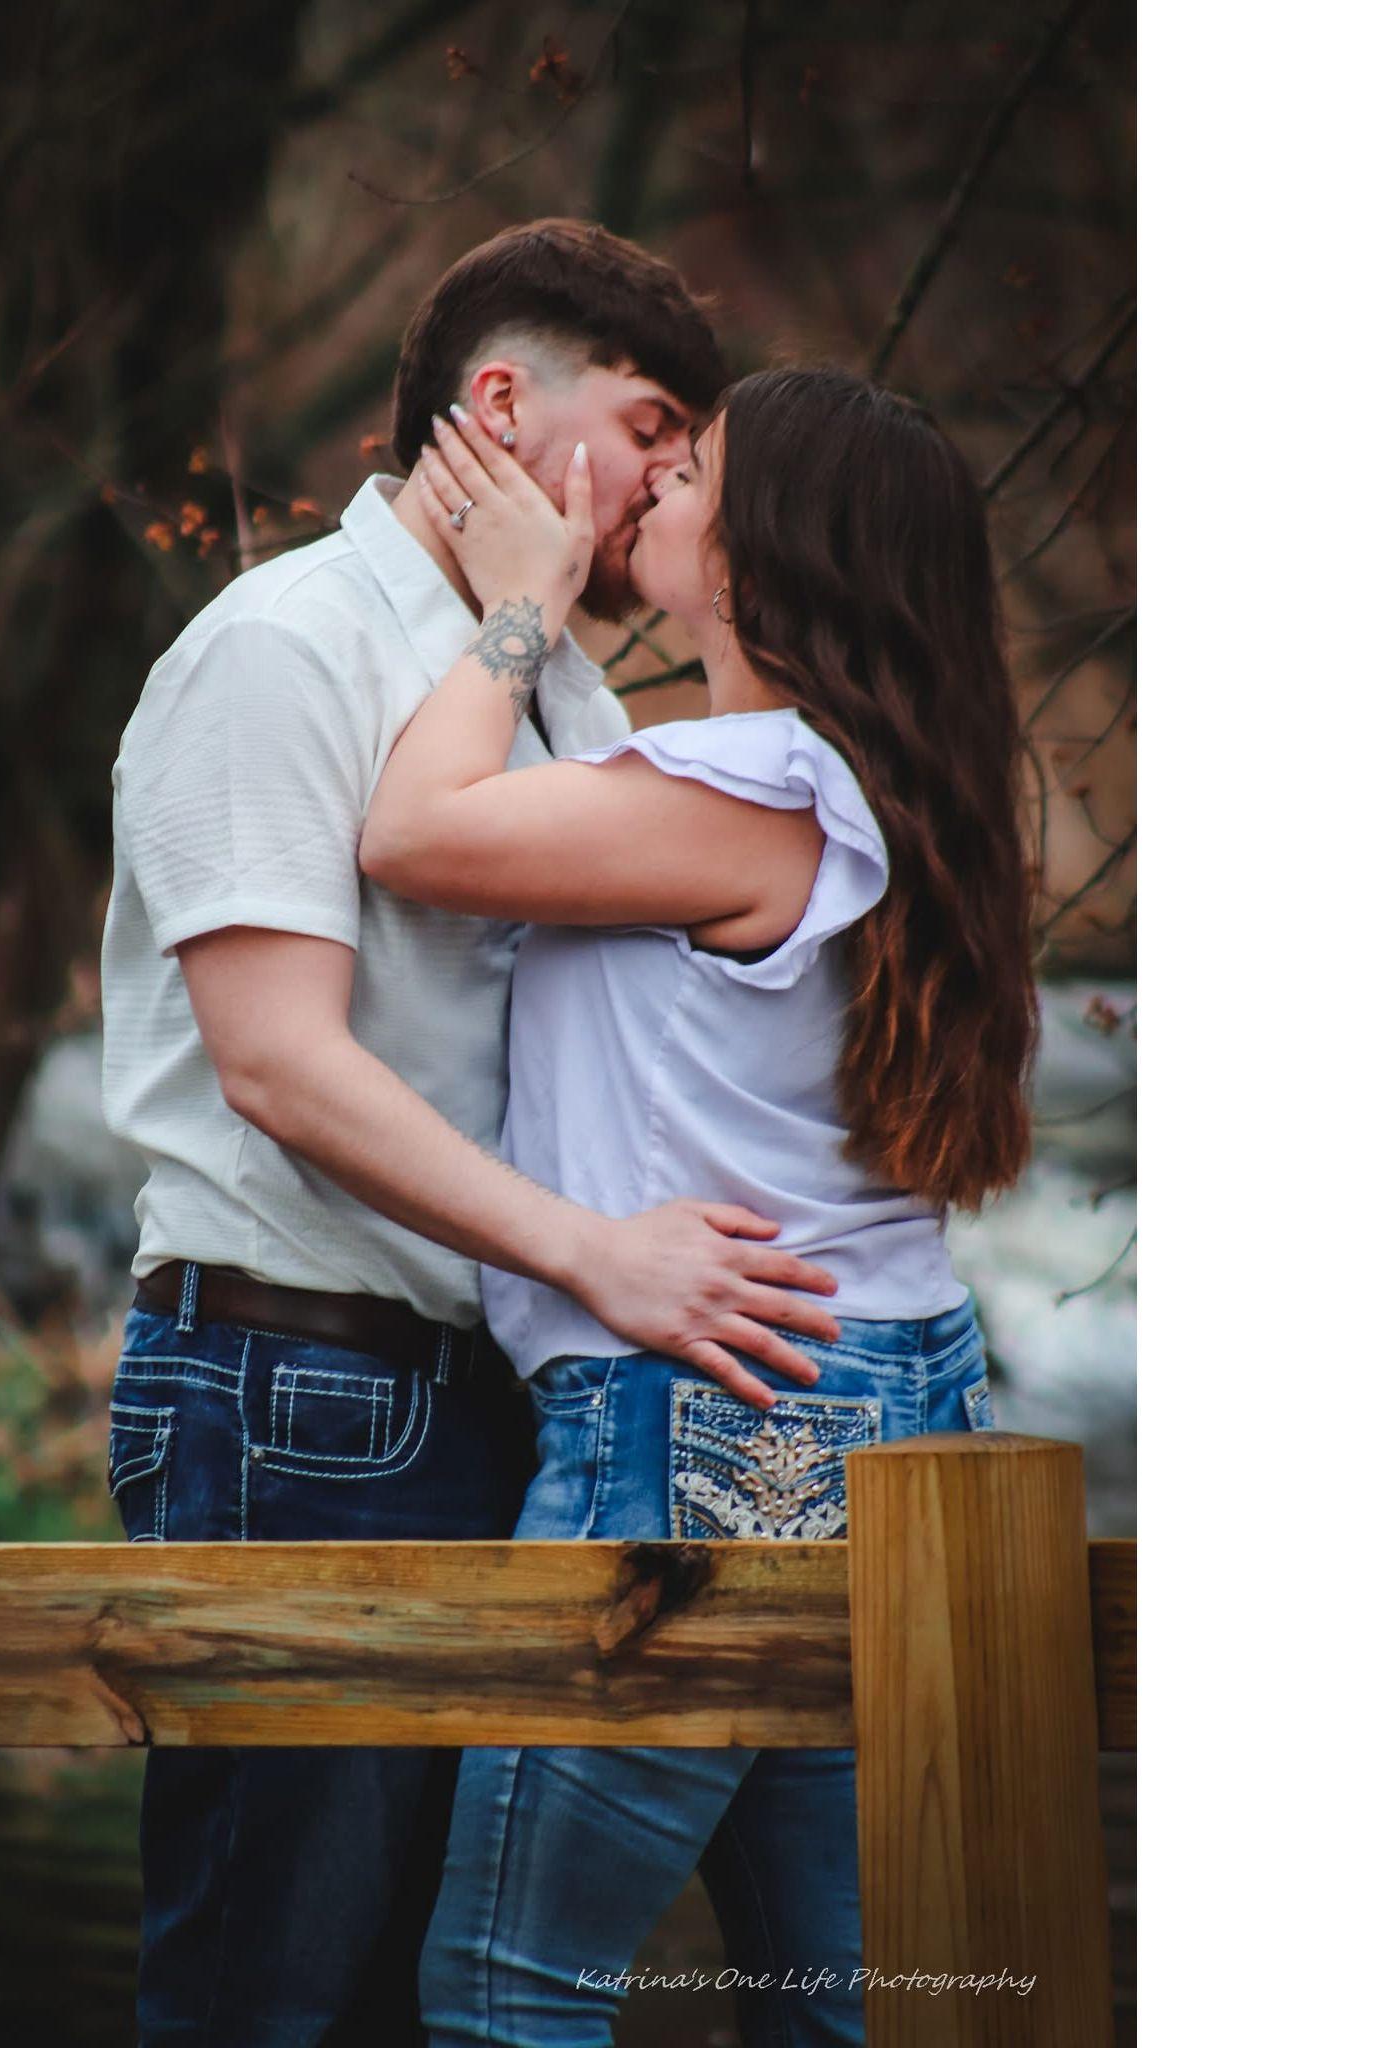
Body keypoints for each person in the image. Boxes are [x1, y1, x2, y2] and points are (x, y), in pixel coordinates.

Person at [99, 221, 844, 2048]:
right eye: (653, 426)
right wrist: (601, 1256)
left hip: (499, 1399)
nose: (674, 480)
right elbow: (279, 1063)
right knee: (276, 1998)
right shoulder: (281, 653)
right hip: (302, 1390)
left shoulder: (558, 689)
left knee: (431, 2006)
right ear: (500, 408)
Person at [358, 370, 1040, 2048]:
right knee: (847, 2005)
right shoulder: (870, 787)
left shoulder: (748, 793)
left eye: (696, 470)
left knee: (513, 1993)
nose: (654, 485)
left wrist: (521, 605)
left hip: (714, 1407)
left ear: (768, 550)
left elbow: (413, 831)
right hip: (892, 1404)